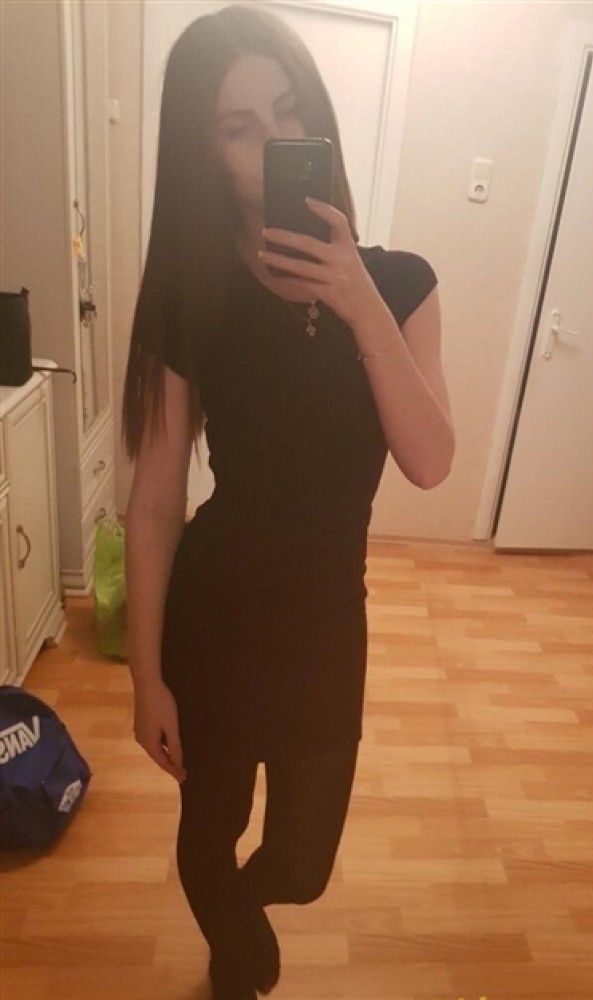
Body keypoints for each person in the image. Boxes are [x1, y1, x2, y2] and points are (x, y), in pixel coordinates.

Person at [120, 6, 455, 998]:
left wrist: (357, 300)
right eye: (238, 126)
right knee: (208, 830)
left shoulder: (402, 284)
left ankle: (244, 918)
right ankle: (234, 954)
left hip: (327, 621)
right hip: (217, 615)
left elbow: (431, 461)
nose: (273, 139)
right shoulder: (193, 293)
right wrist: (144, 675)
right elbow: (155, 500)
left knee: (303, 864)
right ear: (205, 154)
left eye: (287, 108)